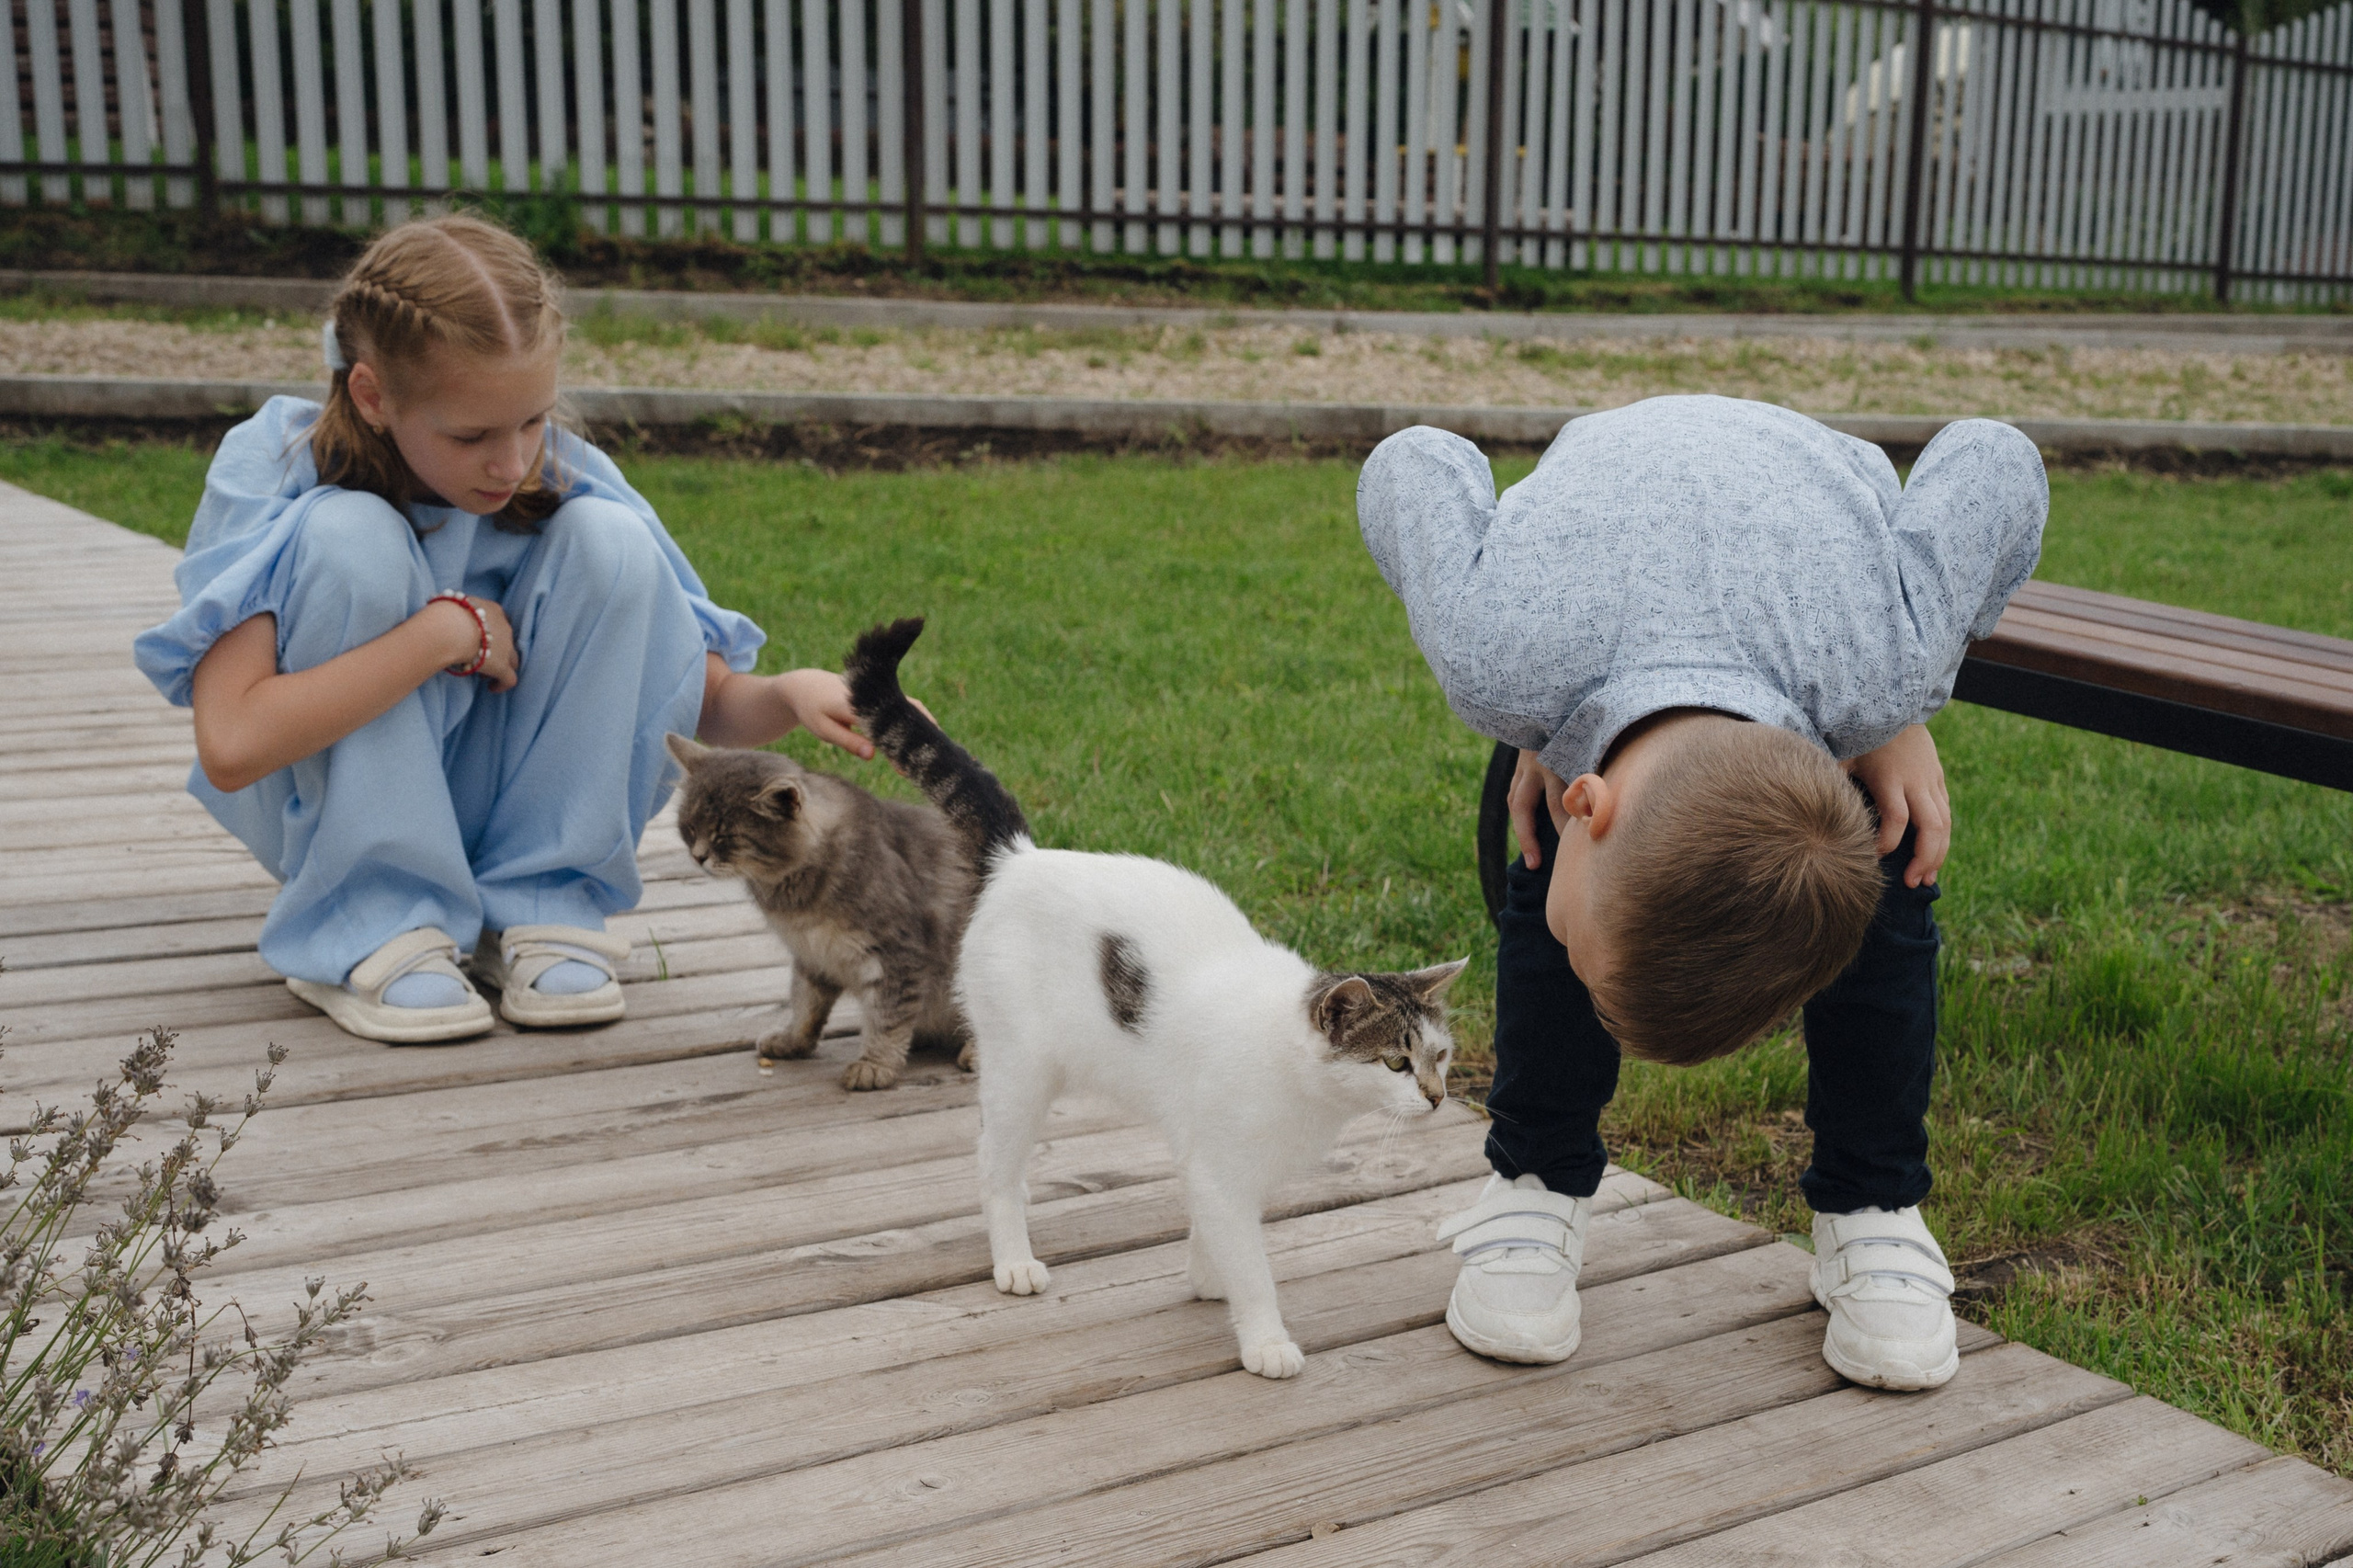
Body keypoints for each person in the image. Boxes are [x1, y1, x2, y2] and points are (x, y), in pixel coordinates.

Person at [1358, 394, 2048, 1391]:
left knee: (1864, 844)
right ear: (1588, 794)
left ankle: (1873, 1202)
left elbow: (1997, 459)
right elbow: (1408, 463)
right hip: (1611, 531)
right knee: (1559, 862)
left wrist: (1898, 700)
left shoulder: (1881, 661)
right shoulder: (1494, 654)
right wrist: (1543, 716)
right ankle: (1535, 1178)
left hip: (1806, 573)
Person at [133, 214, 876, 1044]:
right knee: (349, 535)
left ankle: (540, 901)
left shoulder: (557, 475)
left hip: (504, 809)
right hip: (339, 809)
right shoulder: (276, 469)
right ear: (372, 396)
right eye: (472, 435)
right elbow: (232, 745)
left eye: (532, 421)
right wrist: (443, 635)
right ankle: (373, 916)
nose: (512, 462)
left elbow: (692, 696)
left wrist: (792, 693)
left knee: (612, 540)